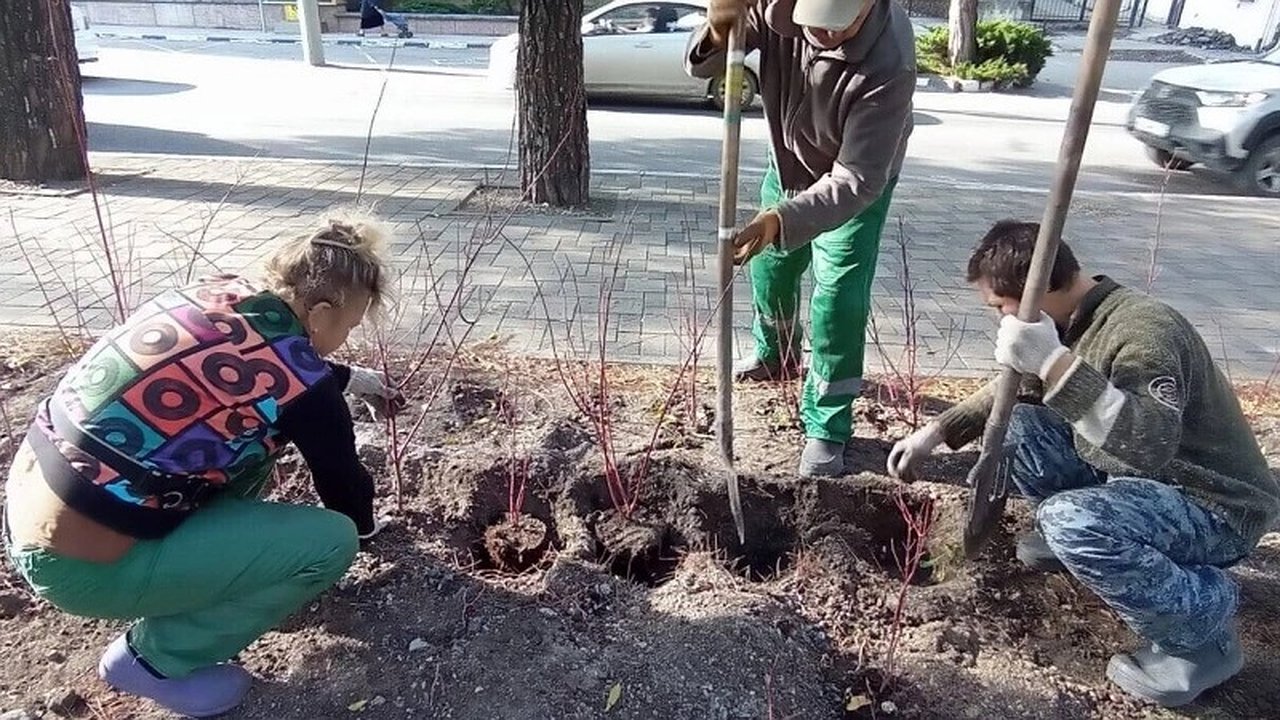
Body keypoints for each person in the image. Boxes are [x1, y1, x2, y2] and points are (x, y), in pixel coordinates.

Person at [2, 212, 403, 718]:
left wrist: (350, 379)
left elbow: (256, 360)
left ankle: (204, 577)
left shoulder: (216, 295)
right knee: (332, 541)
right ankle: (152, 661)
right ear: (321, 312)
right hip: (78, 566)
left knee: (251, 442)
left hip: (31, 502)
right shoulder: (304, 384)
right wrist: (367, 535)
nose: (347, 335)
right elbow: (343, 483)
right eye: (349, 324)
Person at [888, 220, 1280, 707]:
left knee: (1069, 521)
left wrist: (1052, 361)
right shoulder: (1074, 320)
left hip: (1212, 503)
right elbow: (1015, 387)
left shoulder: (1144, 332)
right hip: (1142, 482)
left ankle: (1202, 634)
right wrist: (939, 431)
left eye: (1000, 307)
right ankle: (1098, 542)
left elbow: (1148, 444)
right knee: (1022, 425)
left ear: (1039, 289)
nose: (1000, 320)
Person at [685, 0, 916, 477]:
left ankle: (828, 425)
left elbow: (856, 179)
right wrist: (716, 27)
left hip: (853, 182)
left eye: (836, 26)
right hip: (787, 164)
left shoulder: (890, 61)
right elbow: (705, 66)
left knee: (837, 298)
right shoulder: (777, 8)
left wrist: (778, 220)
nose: (821, 35)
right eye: (812, 24)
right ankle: (778, 355)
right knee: (771, 268)